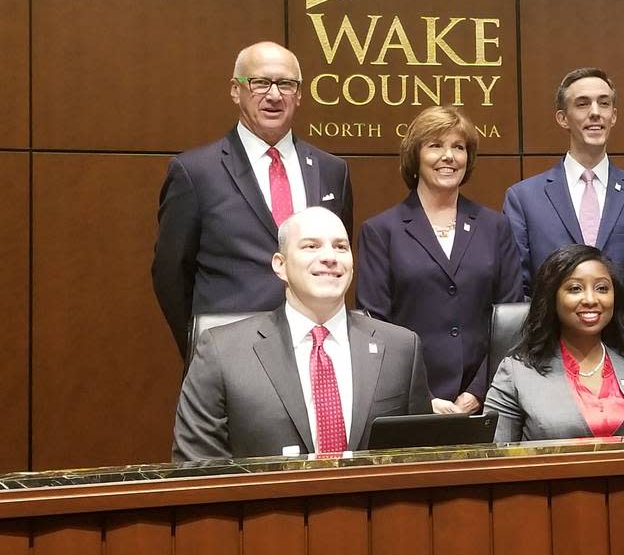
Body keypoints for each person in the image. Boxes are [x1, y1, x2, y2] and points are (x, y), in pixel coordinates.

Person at [172, 207, 430, 462]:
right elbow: (197, 470)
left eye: (341, 247)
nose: (330, 257)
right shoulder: (222, 352)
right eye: (311, 246)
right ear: (280, 265)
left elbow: (423, 460)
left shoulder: (401, 348)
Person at [152, 41, 353, 359]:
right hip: (230, 355)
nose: (274, 95)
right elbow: (170, 275)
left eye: (285, 84)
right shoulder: (195, 172)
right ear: (236, 90)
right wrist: (203, 348)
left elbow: (336, 260)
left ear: (299, 94)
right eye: (260, 82)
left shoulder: (332, 171)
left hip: (314, 354)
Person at [356, 107, 524, 414]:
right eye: (435, 145)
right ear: (415, 156)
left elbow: (510, 321)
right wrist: (422, 396)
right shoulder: (381, 231)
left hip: (489, 402)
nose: (448, 156)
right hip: (408, 403)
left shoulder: (495, 227)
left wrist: (478, 392)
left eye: (458, 147)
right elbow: (375, 328)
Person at [503, 68, 624, 329]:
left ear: (613, 116)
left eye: (604, 103)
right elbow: (519, 290)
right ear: (562, 118)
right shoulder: (524, 198)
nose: (595, 112)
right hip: (549, 356)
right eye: (582, 104)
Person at [484, 245, 624, 443]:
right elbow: (490, 461)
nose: (591, 299)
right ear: (552, 298)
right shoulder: (516, 374)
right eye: (575, 289)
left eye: (602, 288)